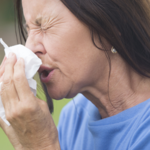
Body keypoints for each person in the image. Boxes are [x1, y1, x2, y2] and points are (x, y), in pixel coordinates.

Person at [0, 0, 150, 149]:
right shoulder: (73, 119)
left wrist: (42, 144)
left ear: (111, 22)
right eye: (28, 31)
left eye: (43, 25)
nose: (30, 48)